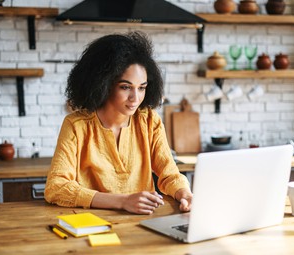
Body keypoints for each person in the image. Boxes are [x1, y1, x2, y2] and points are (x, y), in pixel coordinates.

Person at [44, 31, 193, 214]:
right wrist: (122, 201)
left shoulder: (149, 120)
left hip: (144, 223)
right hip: (93, 226)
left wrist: (184, 193)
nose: (135, 98)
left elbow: (169, 174)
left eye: (142, 88)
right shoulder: (76, 125)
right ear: (103, 84)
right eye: (125, 87)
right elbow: (56, 188)